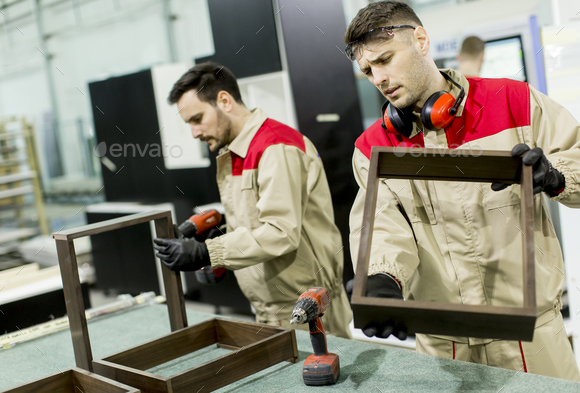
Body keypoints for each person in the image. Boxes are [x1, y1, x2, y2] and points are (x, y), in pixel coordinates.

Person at [344, 0, 580, 381]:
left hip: (533, 338)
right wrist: (381, 279)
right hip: (444, 347)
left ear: (421, 40)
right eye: (368, 70)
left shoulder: (514, 100)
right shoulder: (373, 147)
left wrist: (557, 175)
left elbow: (577, 154)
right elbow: (383, 224)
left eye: (385, 59)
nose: (379, 79)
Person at [153, 62, 352, 338]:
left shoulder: (274, 147)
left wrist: (209, 252)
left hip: (307, 306)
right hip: (272, 306)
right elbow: (257, 222)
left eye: (197, 119)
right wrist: (222, 248)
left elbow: (281, 233)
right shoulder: (236, 152)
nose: (194, 133)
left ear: (224, 101)